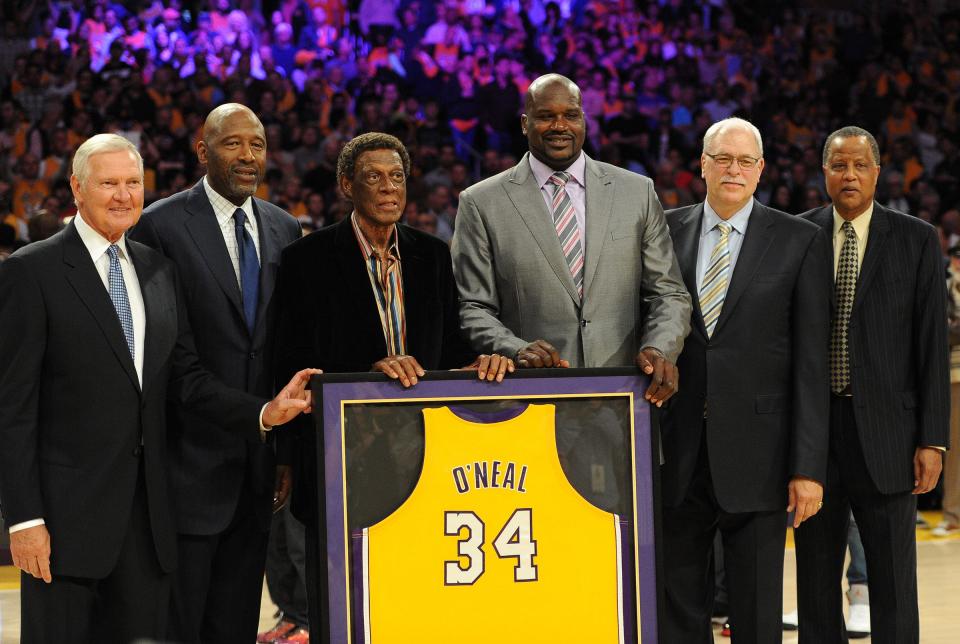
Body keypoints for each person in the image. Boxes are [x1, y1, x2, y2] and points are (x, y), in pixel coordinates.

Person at [0, 134, 316, 643]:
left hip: (150, 525)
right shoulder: (31, 270)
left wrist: (264, 414)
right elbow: (13, 409)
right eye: (109, 184)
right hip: (65, 526)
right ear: (77, 189)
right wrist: (24, 520)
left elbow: (185, 380)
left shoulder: (158, 270)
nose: (123, 195)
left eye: (132, 183)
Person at [274, 131, 515, 633]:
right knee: (342, 610)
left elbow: (450, 349)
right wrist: (370, 370)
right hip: (341, 462)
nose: (388, 188)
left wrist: (474, 367)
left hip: (425, 463)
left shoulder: (433, 255)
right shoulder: (307, 260)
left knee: (412, 608)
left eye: (397, 177)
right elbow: (293, 362)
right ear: (346, 185)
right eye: (373, 177)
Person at [128, 103, 303, 643]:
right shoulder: (159, 225)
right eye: (233, 144)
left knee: (234, 625)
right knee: (180, 626)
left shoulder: (284, 227)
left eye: (257, 144)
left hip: (258, 469)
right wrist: (259, 414)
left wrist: (283, 450)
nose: (248, 156)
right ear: (203, 151)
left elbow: (283, 351)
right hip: (187, 464)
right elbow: (170, 360)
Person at [659, 117, 832, 643]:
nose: (734, 169)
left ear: (760, 171)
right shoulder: (662, 231)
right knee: (677, 609)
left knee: (757, 614)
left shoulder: (800, 240)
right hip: (676, 447)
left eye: (745, 161)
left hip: (761, 454)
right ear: (703, 165)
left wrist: (807, 467)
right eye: (723, 159)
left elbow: (810, 363)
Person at [794, 126, 950, 644]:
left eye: (860, 165)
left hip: (889, 435)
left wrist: (932, 439)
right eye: (839, 165)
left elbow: (930, 346)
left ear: (878, 173)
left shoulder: (916, 238)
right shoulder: (797, 236)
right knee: (815, 582)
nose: (850, 175)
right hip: (815, 437)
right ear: (824, 173)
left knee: (893, 584)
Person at [451, 73, 691, 403]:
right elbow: (473, 307)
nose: (560, 126)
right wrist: (516, 349)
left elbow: (669, 293)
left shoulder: (637, 191)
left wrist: (658, 347)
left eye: (571, 115)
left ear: (584, 120)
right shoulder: (481, 202)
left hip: (624, 398)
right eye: (546, 116)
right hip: (528, 399)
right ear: (525, 123)